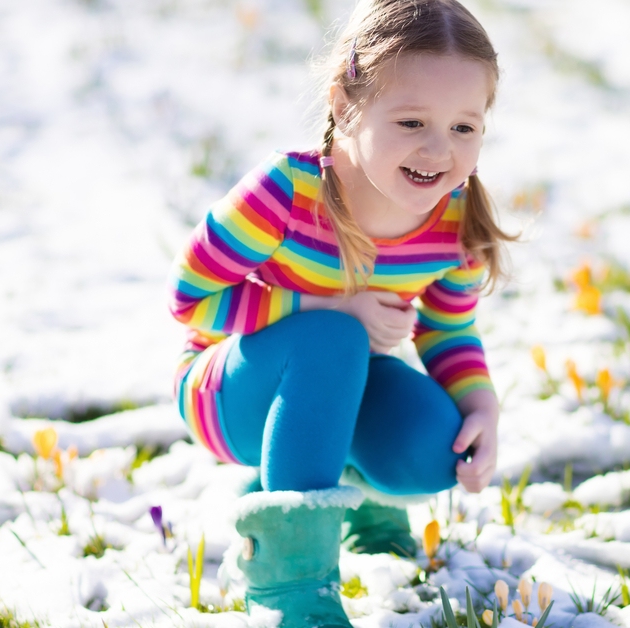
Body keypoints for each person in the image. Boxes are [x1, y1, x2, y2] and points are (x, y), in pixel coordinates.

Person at [165, 1, 512, 625]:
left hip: (340, 387)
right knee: (331, 338)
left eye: (465, 128)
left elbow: (448, 325)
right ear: (346, 104)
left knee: (436, 447)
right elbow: (191, 298)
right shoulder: (285, 193)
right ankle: (291, 588)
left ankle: (340, 497)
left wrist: (481, 402)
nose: (439, 150)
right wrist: (329, 303)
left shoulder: (455, 218)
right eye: (411, 121)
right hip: (230, 392)